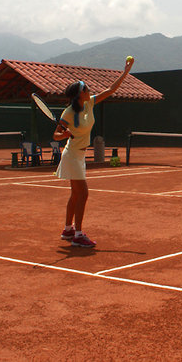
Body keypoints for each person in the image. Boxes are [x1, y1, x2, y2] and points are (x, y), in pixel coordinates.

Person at [53, 57, 134, 247]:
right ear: (80, 94)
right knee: (83, 194)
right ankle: (78, 234)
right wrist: (63, 134)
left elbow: (111, 90)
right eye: (87, 88)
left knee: (75, 194)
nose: (90, 90)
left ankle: (67, 229)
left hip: (79, 156)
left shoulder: (89, 103)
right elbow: (55, 135)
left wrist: (125, 72)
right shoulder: (68, 113)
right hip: (72, 154)